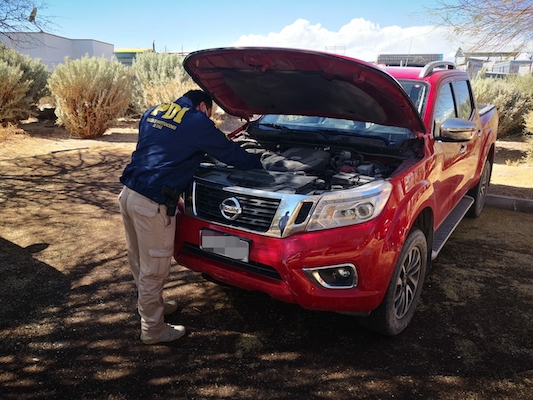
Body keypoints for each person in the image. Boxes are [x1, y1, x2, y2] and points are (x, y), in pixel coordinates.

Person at [118, 90, 262, 345]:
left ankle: (153, 307)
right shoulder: (196, 121)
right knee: (154, 269)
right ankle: (152, 329)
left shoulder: (154, 111)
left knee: (139, 259)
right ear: (203, 106)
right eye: (210, 113)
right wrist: (260, 164)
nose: (210, 118)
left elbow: (161, 147)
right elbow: (229, 153)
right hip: (152, 204)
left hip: (129, 195)